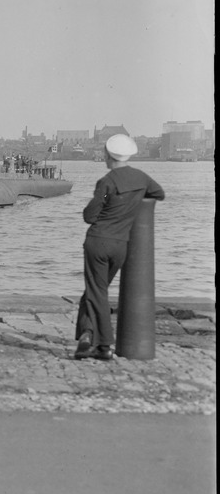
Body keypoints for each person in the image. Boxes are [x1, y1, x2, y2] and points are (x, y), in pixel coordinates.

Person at [74, 134, 165, 360]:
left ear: (108, 155)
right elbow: (158, 193)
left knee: (96, 292)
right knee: (97, 291)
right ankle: (86, 334)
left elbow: (90, 215)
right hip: (120, 246)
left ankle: (103, 344)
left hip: (98, 242)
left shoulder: (107, 182)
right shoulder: (142, 178)